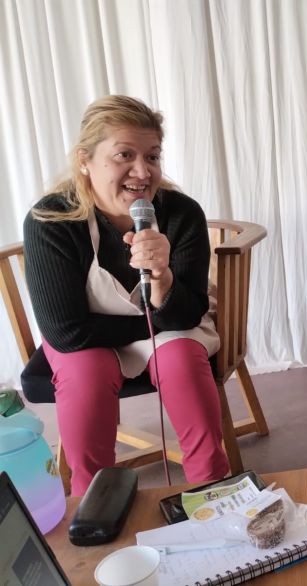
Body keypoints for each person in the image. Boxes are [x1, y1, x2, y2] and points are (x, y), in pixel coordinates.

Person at [23, 95, 230, 496]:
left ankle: (213, 490)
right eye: (124, 155)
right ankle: (95, 502)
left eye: (152, 156)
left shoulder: (181, 213)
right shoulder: (50, 221)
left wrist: (163, 277)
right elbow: (66, 332)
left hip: (161, 329)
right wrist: (150, 322)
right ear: (85, 159)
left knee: (182, 361)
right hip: (90, 341)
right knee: (86, 373)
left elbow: (188, 313)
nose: (142, 171)